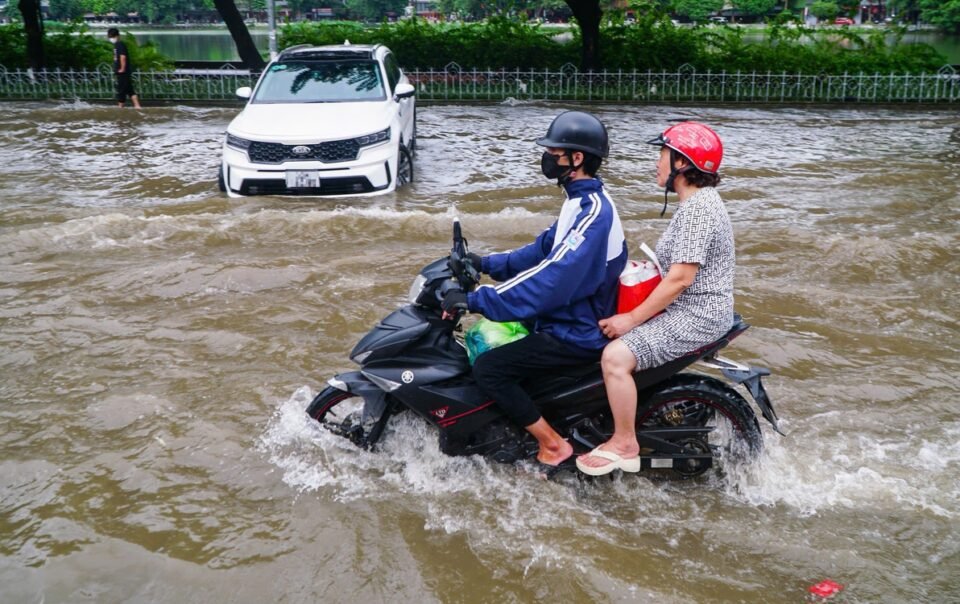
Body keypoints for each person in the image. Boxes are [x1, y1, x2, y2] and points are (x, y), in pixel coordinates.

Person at [441, 111, 628, 473]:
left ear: (577, 159)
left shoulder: (593, 212)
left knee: (490, 368)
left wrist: (479, 300)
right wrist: (485, 263)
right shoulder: (582, 201)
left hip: (575, 330)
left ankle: (553, 444)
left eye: (555, 152)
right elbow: (544, 249)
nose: (548, 158)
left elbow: (553, 277)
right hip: (567, 317)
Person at [576, 121, 735, 476]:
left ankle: (624, 443)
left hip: (697, 313)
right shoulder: (699, 203)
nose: (657, 163)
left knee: (615, 357)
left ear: (682, 163)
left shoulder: (699, 210)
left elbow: (680, 279)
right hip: (690, 306)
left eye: (662, 155)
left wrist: (630, 319)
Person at [108, 28, 141, 109]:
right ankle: (137, 106)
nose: (111, 38)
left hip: (122, 72)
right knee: (129, 90)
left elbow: (123, 57)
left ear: (117, 36)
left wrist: (122, 68)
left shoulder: (120, 44)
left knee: (121, 90)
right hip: (121, 72)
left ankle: (120, 107)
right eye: (110, 36)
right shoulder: (116, 45)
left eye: (112, 36)